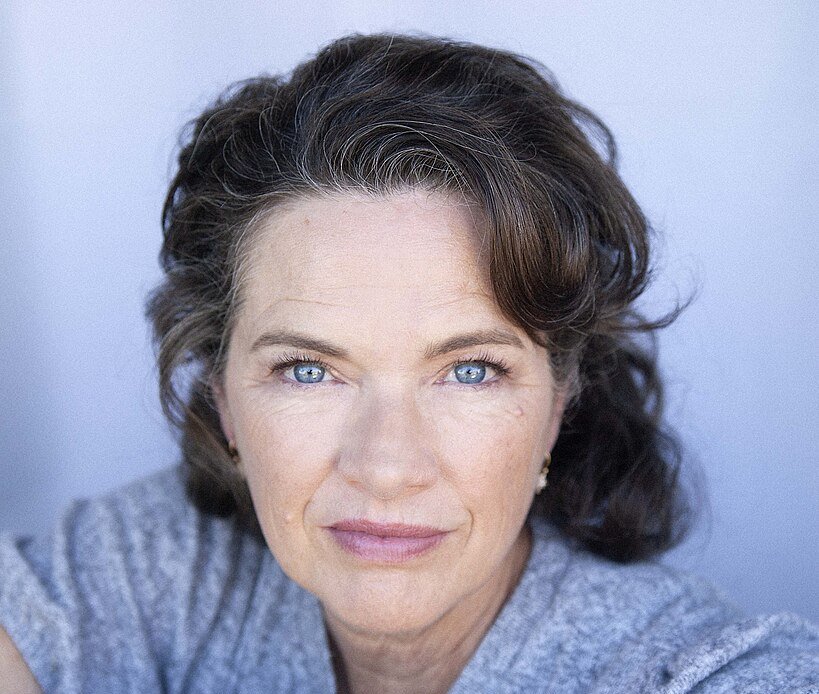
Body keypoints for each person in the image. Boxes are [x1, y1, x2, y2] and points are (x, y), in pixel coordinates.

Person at [0, 33, 816, 694]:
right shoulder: (163, 572)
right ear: (223, 402)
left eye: (469, 371)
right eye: (307, 371)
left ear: (560, 398)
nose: (386, 467)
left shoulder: (698, 672)